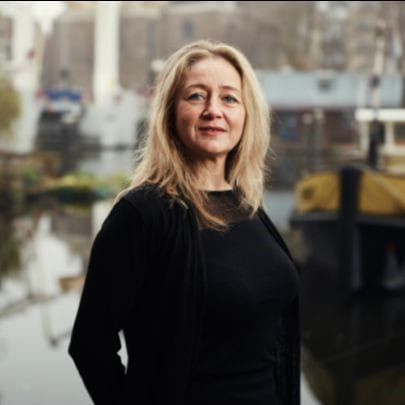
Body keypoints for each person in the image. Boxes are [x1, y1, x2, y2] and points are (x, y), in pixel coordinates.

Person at [68, 39, 300, 405]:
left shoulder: (247, 206)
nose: (213, 110)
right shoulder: (142, 214)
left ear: (247, 115)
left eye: (229, 98)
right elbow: (90, 345)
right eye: (196, 96)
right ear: (170, 113)